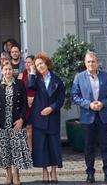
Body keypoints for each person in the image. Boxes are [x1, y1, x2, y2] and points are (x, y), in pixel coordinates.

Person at [71, 51, 107, 184]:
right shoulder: (79, 77)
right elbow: (75, 95)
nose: (91, 64)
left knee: (104, 146)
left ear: (97, 63)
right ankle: (90, 173)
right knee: (89, 147)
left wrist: (103, 103)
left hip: (102, 116)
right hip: (87, 116)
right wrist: (88, 104)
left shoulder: (105, 76)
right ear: (85, 63)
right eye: (88, 62)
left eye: (93, 61)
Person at [27, 51, 65, 183]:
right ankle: (44, 171)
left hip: (52, 116)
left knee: (54, 146)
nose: (40, 67)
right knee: (41, 146)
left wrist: (51, 108)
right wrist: (32, 72)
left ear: (46, 63)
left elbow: (60, 100)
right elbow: (30, 86)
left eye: (41, 64)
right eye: (37, 65)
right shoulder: (36, 80)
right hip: (39, 118)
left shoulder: (57, 80)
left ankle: (53, 171)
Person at [0, 61, 32, 185]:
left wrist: (21, 119)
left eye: (10, 69)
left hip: (16, 123)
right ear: (2, 71)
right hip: (2, 123)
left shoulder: (20, 84)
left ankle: (16, 175)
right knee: (5, 151)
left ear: (13, 71)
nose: (8, 72)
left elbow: (25, 105)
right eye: (6, 69)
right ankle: (8, 175)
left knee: (16, 150)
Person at [20, 55, 35, 150]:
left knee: (35, 130)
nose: (27, 64)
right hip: (26, 105)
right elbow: (19, 90)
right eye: (26, 62)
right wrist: (26, 99)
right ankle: (29, 152)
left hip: (36, 104)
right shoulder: (22, 75)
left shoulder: (37, 75)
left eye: (29, 62)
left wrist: (33, 98)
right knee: (28, 129)